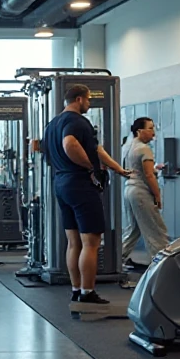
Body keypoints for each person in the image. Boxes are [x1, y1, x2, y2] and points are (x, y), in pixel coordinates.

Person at [42, 84, 130, 312]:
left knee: (74, 241)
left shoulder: (52, 124)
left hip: (61, 184)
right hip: (80, 184)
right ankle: (88, 293)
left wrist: (118, 169)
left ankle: (76, 288)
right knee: (91, 242)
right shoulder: (78, 121)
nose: (90, 104)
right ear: (79, 99)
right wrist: (90, 167)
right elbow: (69, 144)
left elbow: (96, 149)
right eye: (89, 100)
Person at [121, 117, 170, 268]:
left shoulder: (127, 146)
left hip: (129, 189)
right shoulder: (144, 148)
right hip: (141, 192)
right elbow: (149, 175)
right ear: (139, 131)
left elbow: (133, 169)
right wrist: (157, 195)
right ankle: (162, 264)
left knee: (133, 229)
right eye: (150, 128)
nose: (153, 132)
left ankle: (118, 258)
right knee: (156, 229)